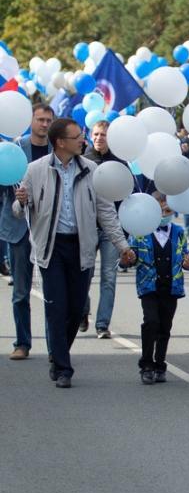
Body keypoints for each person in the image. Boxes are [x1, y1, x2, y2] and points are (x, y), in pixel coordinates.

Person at [12, 118, 134, 387]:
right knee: (56, 307)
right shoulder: (35, 170)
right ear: (60, 143)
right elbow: (19, 210)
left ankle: (58, 354)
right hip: (51, 247)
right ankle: (64, 368)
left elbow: (106, 213)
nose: (84, 140)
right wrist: (21, 203)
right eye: (77, 136)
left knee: (76, 307)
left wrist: (122, 246)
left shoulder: (92, 170)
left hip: (81, 247)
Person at [123, 192, 189, 384]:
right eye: (160, 209)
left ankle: (160, 364)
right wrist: (127, 260)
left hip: (171, 286)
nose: (164, 212)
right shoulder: (140, 231)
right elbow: (130, 258)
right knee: (151, 322)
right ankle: (146, 364)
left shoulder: (179, 231)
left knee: (165, 326)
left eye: (168, 209)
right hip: (149, 286)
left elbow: (186, 256)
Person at [2, 104, 53, 360]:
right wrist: (17, 198)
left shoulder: (59, 150)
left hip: (52, 230)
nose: (44, 124)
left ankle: (56, 346)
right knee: (21, 291)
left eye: (48, 120)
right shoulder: (15, 150)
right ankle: (22, 343)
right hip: (19, 229)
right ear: (30, 120)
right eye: (40, 119)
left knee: (54, 292)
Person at [83, 120, 124, 339]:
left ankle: (102, 324)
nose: (99, 139)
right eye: (96, 135)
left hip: (110, 229)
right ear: (91, 135)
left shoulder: (119, 162)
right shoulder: (82, 160)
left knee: (109, 277)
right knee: (84, 275)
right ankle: (82, 311)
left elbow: (126, 196)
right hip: (87, 228)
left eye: (104, 135)